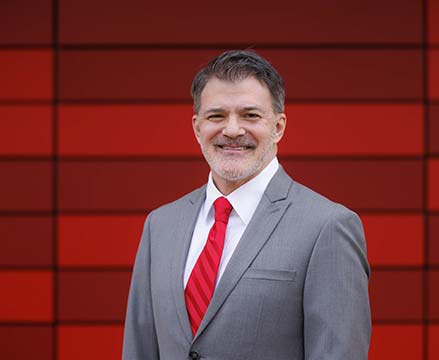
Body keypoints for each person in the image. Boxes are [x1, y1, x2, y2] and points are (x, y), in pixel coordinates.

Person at [122, 50, 371, 360]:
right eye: (216, 116)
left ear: (278, 127)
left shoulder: (327, 226)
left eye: (250, 115)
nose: (232, 130)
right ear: (197, 127)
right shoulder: (160, 225)